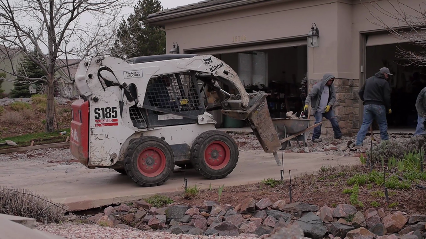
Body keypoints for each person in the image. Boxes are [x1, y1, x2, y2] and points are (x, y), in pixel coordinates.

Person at [355, 67, 392, 146]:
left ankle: (358, 142)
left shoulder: (369, 80)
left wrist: (365, 100)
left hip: (367, 105)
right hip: (379, 105)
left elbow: (360, 92)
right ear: (384, 73)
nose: (388, 76)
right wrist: (388, 107)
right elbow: (386, 97)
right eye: (387, 75)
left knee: (365, 123)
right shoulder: (384, 82)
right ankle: (385, 142)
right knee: (382, 123)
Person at [304, 73, 342, 142]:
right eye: (329, 80)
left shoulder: (331, 87)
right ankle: (315, 138)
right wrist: (306, 104)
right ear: (326, 80)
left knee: (334, 121)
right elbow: (310, 96)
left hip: (327, 109)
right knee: (318, 123)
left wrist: (329, 105)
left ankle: (338, 136)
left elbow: (333, 97)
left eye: (332, 80)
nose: (330, 82)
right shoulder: (317, 87)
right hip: (318, 109)